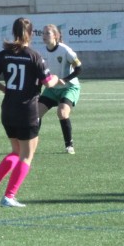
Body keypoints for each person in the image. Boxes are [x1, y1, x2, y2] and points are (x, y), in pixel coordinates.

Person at [0, 17, 55, 208]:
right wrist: (55, 79)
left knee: (16, 150)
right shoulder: (34, 56)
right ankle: (9, 196)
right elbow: (48, 82)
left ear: (14, 32)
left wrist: (4, 89)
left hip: (8, 109)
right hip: (27, 110)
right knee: (26, 155)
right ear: (31, 34)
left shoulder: (4, 54)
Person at [37, 24, 82, 154]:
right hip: (52, 89)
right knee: (35, 114)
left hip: (69, 88)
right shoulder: (42, 53)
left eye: (47, 33)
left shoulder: (65, 50)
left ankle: (69, 145)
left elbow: (79, 68)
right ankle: (31, 142)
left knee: (62, 113)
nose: (44, 36)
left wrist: (66, 79)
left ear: (55, 36)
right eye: (43, 33)